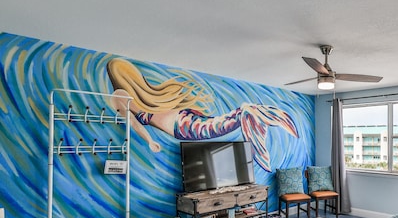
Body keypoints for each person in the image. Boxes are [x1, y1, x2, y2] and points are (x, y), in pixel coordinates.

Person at [106, 58, 298, 171]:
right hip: (182, 116)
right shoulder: (146, 94)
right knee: (216, 124)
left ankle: (245, 113)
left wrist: (149, 140)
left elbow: (133, 123)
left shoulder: (119, 95)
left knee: (214, 127)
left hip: (179, 126)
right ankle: (245, 112)